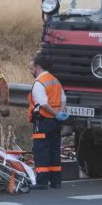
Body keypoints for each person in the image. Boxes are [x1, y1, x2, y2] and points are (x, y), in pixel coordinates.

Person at [26, 55, 67, 190]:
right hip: (56, 122)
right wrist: (59, 114)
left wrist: (55, 114)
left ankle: (42, 182)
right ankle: (56, 182)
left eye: (31, 69)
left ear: (38, 67)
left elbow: (43, 104)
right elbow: (63, 99)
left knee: (41, 150)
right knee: (54, 150)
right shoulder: (55, 80)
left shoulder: (39, 83)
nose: (31, 71)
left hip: (43, 121)